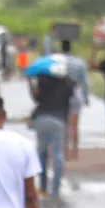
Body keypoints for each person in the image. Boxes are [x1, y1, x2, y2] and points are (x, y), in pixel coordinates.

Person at [28, 40, 77, 199]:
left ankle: (42, 186)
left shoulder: (42, 78)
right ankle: (55, 189)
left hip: (42, 119)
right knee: (58, 155)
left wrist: (30, 83)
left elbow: (36, 98)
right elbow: (69, 102)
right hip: (59, 121)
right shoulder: (69, 82)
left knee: (42, 154)